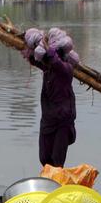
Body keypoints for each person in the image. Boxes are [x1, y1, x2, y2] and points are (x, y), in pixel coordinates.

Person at [26, 27, 78, 167]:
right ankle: (47, 184)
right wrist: (29, 52)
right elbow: (37, 60)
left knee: (56, 161)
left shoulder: (66, 69)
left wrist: (47, 48)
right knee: (44, 158)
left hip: (63, 121)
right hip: (48, 120)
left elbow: (55, 62)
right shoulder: (48, 68)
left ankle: (56, 186)